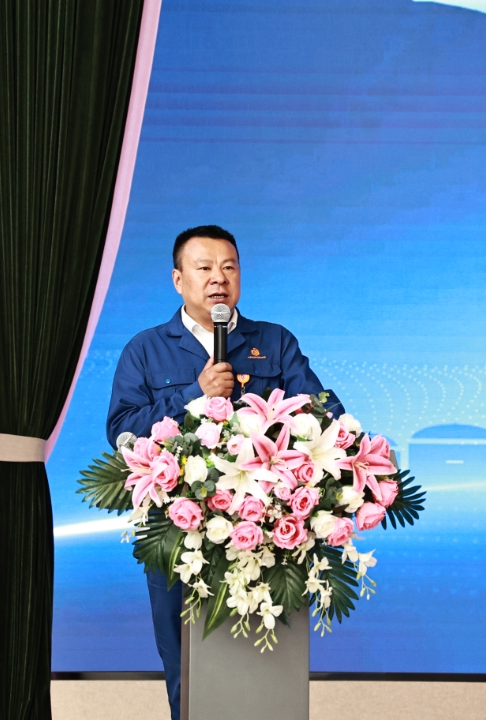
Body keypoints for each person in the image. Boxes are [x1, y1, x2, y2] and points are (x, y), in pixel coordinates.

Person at [106, 225, 342, 720]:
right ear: (178, 279)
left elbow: (324, 413)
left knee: (266, 669)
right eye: (205, 267)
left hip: (271, 533)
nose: (219, 278)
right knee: (186, 669)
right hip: (178, 535)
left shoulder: (274, 342)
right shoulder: (145, 349)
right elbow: (123, 431)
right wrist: (194, 393)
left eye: (229, 267)